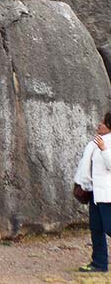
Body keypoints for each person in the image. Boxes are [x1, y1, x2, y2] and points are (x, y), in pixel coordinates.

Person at [76, 112, 111, 273]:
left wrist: (104, 150)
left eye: (103, 123)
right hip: (94, 193)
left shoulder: (106, 144)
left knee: (109, 228)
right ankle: (99, 263)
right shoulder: (95, 141)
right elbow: (85, 164)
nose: (99, 124)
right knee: (96, 228)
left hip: (107, 194)